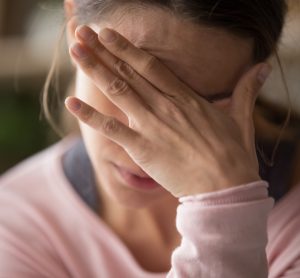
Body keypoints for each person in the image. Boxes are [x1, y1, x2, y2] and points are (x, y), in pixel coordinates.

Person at [0, 0, 299, 277]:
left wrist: (223, 206)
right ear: (73, 25)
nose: (143, 150)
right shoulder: (16, 222)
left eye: (200, 107)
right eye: (129, 85)